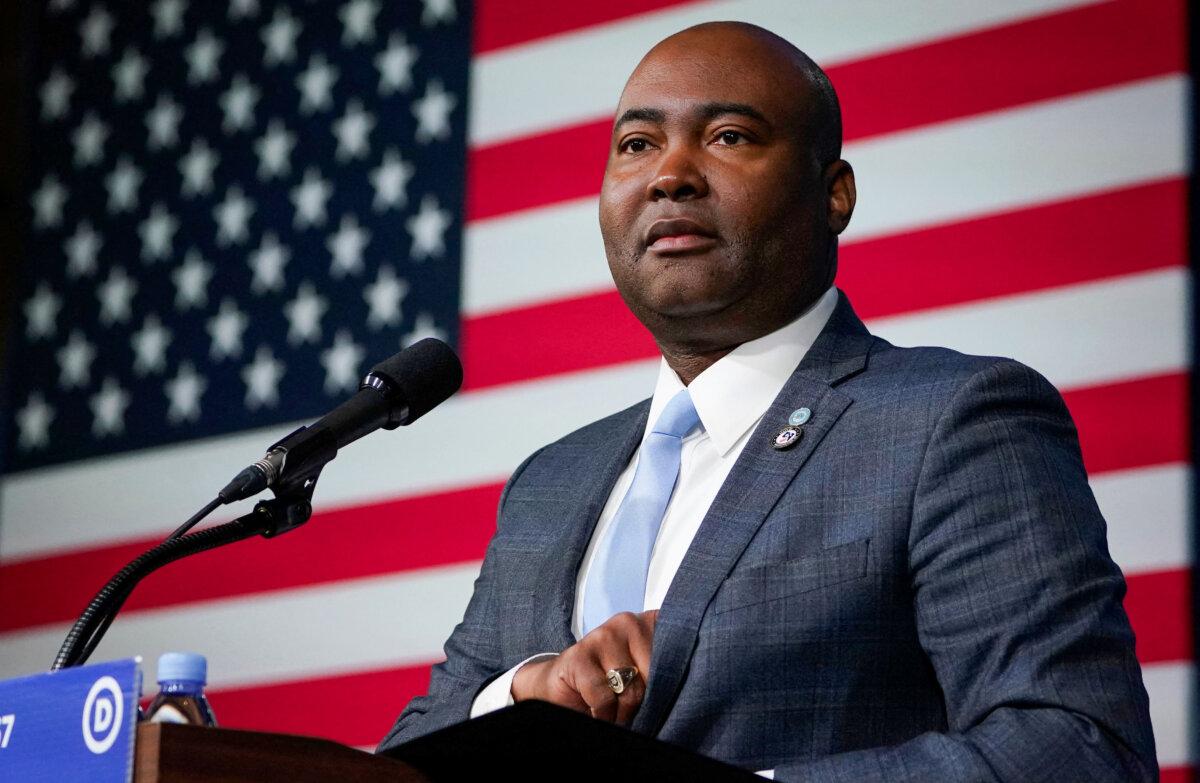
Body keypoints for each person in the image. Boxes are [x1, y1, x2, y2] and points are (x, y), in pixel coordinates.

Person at [378, 22, 1156, 780]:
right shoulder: (550, 482)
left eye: (729, 136)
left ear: (834, 194)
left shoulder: (952, 420)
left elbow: (1078, 748)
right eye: (637, 144)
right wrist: (524, 690)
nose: (669, 174)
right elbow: (407, 751)